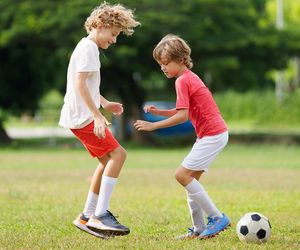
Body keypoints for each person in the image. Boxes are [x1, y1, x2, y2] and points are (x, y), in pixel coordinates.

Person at [134, 34, 230, 239]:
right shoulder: (189, 77)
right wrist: (160, 112)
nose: (162, 68)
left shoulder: (182, 81)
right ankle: (199, 229)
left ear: (180, 60)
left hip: (212, 135)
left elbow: (182, 116)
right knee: (190, 181)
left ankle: (217, 217)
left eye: (165, 63)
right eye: (160, 64)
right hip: (215, 134)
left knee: (181, 176)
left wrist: (153, 125)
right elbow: (183, 110)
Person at [58, 2, 140, 238]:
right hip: (83, 117)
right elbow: (79, 85)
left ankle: (86, 217)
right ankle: (100, 214)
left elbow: (85, 85)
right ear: (101, 26)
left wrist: (104, 103)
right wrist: (97, 115)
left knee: (106, 163)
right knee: (119, 155)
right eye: (113, 34)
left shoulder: (87, 47)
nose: (114, 40)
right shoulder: (89, 49)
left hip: (79, 116)